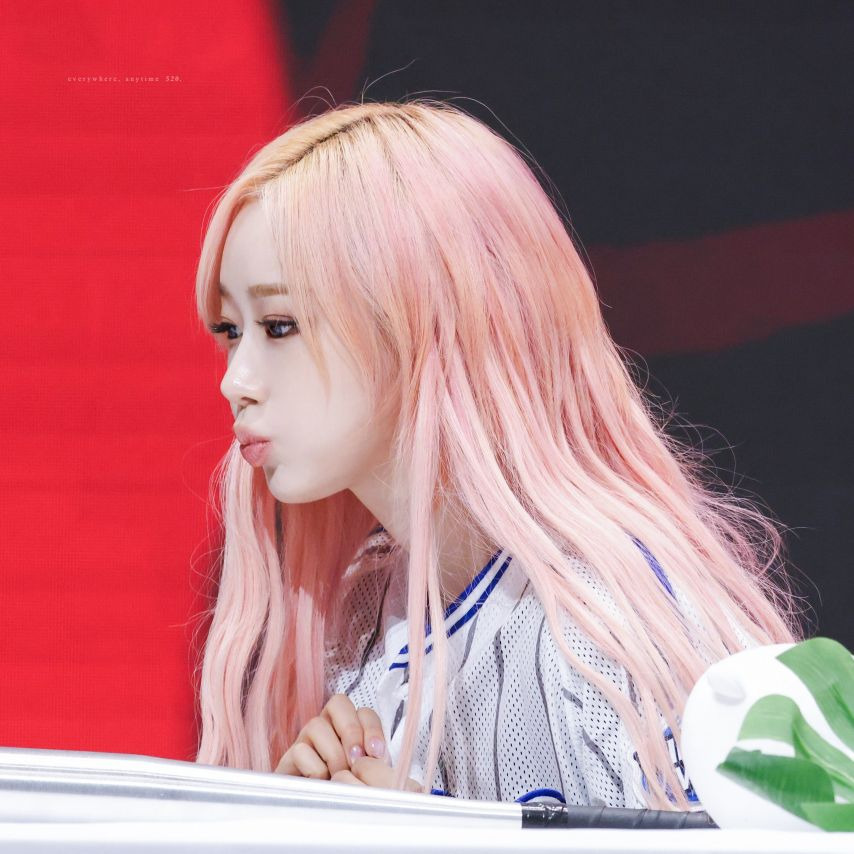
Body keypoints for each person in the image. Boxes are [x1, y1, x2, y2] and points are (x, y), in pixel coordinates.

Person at [192, 98, 804, 811]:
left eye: (279, 324)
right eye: (230, 331)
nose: (236, 380)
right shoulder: (360, 627)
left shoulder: (613, 626)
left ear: (424, 314)